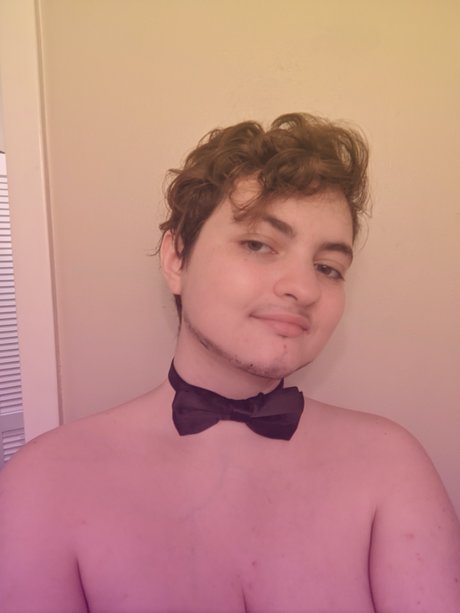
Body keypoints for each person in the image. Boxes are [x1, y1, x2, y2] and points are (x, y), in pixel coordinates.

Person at [1, 113, 459, 613]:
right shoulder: (42, 485)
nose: (303, 288)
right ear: (177, 258)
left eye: (328, 268)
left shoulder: (392, 465)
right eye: (258, 245)